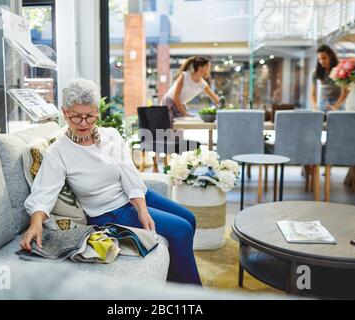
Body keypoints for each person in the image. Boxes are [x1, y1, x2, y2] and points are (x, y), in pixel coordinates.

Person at [20, 78, 202, 286]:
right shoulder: (58, 152)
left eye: (89, 116)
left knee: (190, 218)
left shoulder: (111, 136)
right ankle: (191, 294)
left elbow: (130, 176)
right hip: (108, 212)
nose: (83, 124)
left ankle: (175, 279)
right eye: (75, 117)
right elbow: (45, 192)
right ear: (64, 112)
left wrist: (142, 210)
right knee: (181, 230)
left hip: (135, 196)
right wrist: (35, 223)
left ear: (97, 112)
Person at [161, 56, 220, 127]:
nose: (209, 70)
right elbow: (175, 96)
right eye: (207, 67)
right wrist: (184, 113)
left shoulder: (203, 84)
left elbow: (215, 98)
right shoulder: (184, 76)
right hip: (169, 102)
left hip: (180, 104)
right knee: (168, 129)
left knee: (178, 131)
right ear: (200, 68)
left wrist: (223, 105)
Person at [311, 45, 348, 112]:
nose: (321, 61)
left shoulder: (340, 70)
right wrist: (315, 107)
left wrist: (336, 106)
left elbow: (345, 92)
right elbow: (313, 93)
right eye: (319, 59)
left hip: (338, 103)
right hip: (323, 103)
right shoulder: (315, 73)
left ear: (330, 56)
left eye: (324, 58)